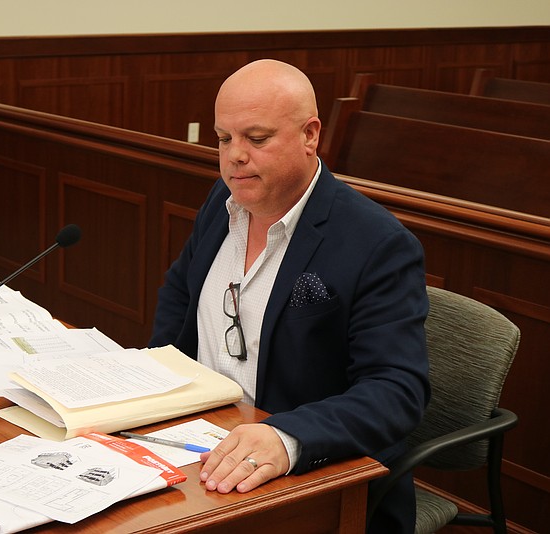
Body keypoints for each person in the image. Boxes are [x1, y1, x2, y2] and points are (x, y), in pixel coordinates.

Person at [148, 59, 430, 533]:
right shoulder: (222, 203)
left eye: (256, 139)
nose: (235, 155)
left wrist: (287, 437)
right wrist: (158, 387)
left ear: (310, 134)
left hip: (311, 475)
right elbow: (180, 295)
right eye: (223, 138)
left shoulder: (377, 243)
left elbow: (397, 390)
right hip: (199, 444)